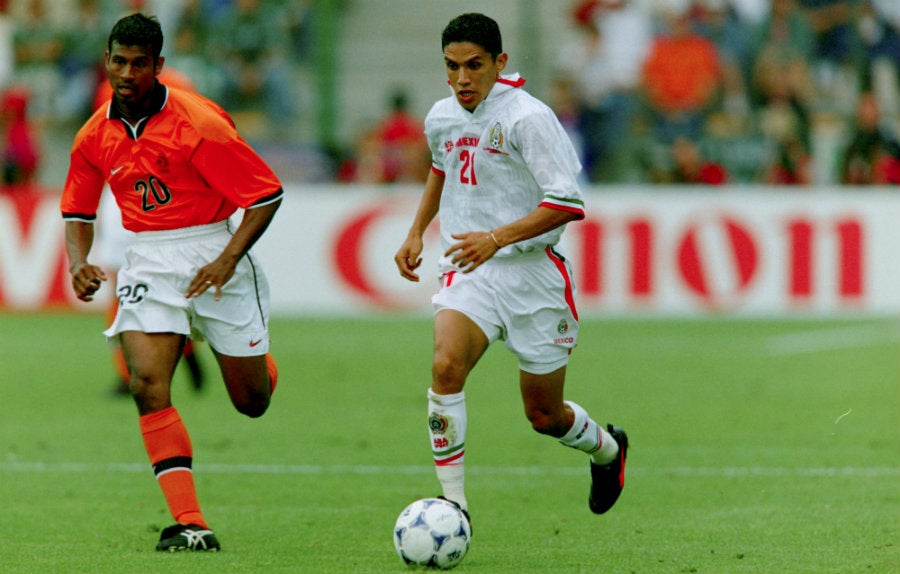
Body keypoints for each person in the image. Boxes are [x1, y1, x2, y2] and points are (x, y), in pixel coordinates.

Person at [393, 13, 628, 523]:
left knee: (544, 415)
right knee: (445, 366)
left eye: (474, 65)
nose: (462, 79)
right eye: (451, 67)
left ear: (500, 62)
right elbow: (441, 169)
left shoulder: (527, 117)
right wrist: (416, 231)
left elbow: (567, 202)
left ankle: (608, 450)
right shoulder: (442, 116)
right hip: (470, 269)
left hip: (531, 275)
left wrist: (496, 238)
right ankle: (453, 504)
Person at [60, 13, 282, 552]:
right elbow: (77, 210)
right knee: (145, 384)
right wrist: (79, 262)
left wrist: (228, 260)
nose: (128, 72)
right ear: (106, 62)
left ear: (159, 65)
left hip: (211, 247)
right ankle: (190, 522)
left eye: (140, 63)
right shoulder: (94, 134)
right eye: (119, 61)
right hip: (148, 260)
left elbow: (265, 195)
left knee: (252, 401)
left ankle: (253, 358)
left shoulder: (199, 124)